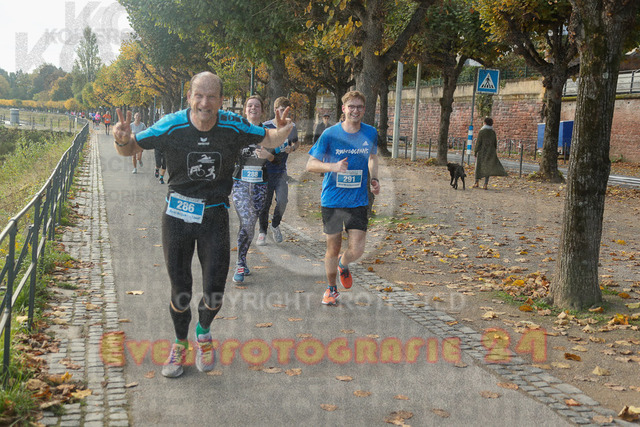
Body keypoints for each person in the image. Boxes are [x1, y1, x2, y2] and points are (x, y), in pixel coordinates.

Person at [113, 71, 293, 378]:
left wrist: (282, 129)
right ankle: (180, 343)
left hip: (214, 216)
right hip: (177, 216)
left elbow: (270, 139)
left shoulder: (233, 125)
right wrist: (121, 139)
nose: (204, 103)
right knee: (180, 289)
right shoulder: (171, 125)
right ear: (189, 97)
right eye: (199, 95)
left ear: (221, 100)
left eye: (211, 96)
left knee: (214, 293)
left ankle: (204, 332)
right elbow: (129, 149)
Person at [305, 90, 380, 306]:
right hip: (333, 200)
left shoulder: (370, 132)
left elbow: (372, 158)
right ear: (343, 109)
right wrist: (333, 167)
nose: (355, 110)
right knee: (333, 248)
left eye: (359, 107)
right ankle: (331, 289)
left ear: (364, 110)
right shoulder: (330, 134)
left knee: (357, 250)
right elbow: (310, 164)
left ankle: (343, 264)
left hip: (358, 200)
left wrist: (374, 178)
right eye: (351, 106)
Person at [231, 95, 272, 282]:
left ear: (262, 110)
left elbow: (276, 159)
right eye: (250, 106)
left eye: (257, 106)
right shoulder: (238, 132)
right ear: (245, 110)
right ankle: (240, 264)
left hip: (260, 185)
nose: (253, 108)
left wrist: (267, 155)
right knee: (246, 221)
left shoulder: (268, 133)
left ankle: (243, 258)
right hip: (240, 182)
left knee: (250, 223)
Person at [257, 97, 299, 246]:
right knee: (265, 203)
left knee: (282, 201)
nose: (284, 114)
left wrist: (291, 148)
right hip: (266, 171)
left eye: (287, 111)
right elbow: (259, 146)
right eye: (281, 110)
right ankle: (262, 232)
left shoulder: (291, 126)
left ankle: (275, 225)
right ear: (276, 110)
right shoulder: (266, 126)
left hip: (281, 171)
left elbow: (296, 143)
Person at [472, 117, 507, 190]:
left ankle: (476, 182)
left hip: (482, 152)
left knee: (478, 167)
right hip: (490, 152)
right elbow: (495, 143)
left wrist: (475, 151)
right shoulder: (493, 132)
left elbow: (478, 143)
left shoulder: (481, 132)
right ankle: (485, 184)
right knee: (487, 167)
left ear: (484, 123)